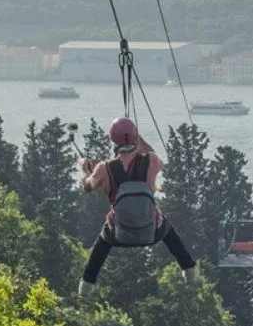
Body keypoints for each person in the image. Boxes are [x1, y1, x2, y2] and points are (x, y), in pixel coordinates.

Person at [78, 116, 199, 296]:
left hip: (120, 232)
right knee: (169, 233)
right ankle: (189, 269)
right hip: (151, 230)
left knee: (101, 244)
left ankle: (87, 283)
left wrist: (84, 170)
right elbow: (155, 157)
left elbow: (88, 186)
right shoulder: (151, 161)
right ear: (135, 138)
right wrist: (136, 139)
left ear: (113, 140)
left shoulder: (104, 168)